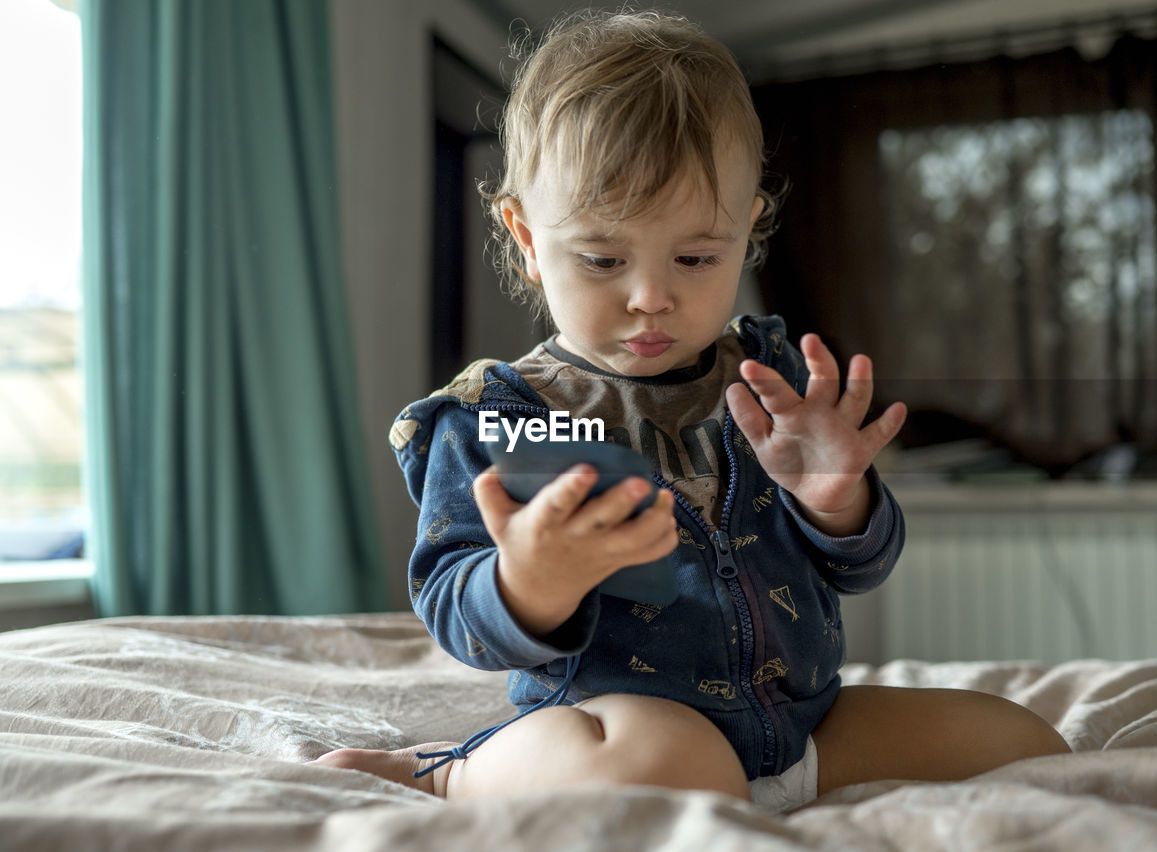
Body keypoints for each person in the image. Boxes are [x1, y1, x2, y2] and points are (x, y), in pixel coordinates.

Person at [312, 8, 1070, 812]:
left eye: (697, 256)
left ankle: (762, 782)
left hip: (805, 729)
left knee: (1024, 744)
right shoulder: (499, 416)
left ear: (747, 234)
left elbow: (861, 568)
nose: (651, 297)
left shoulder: (770, 378)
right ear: (528, 240)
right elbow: (453, 611)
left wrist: (838, 501)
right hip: (625, 729)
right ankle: (453, 767)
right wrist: (526, 582)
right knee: (668, 768)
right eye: (603, 258)